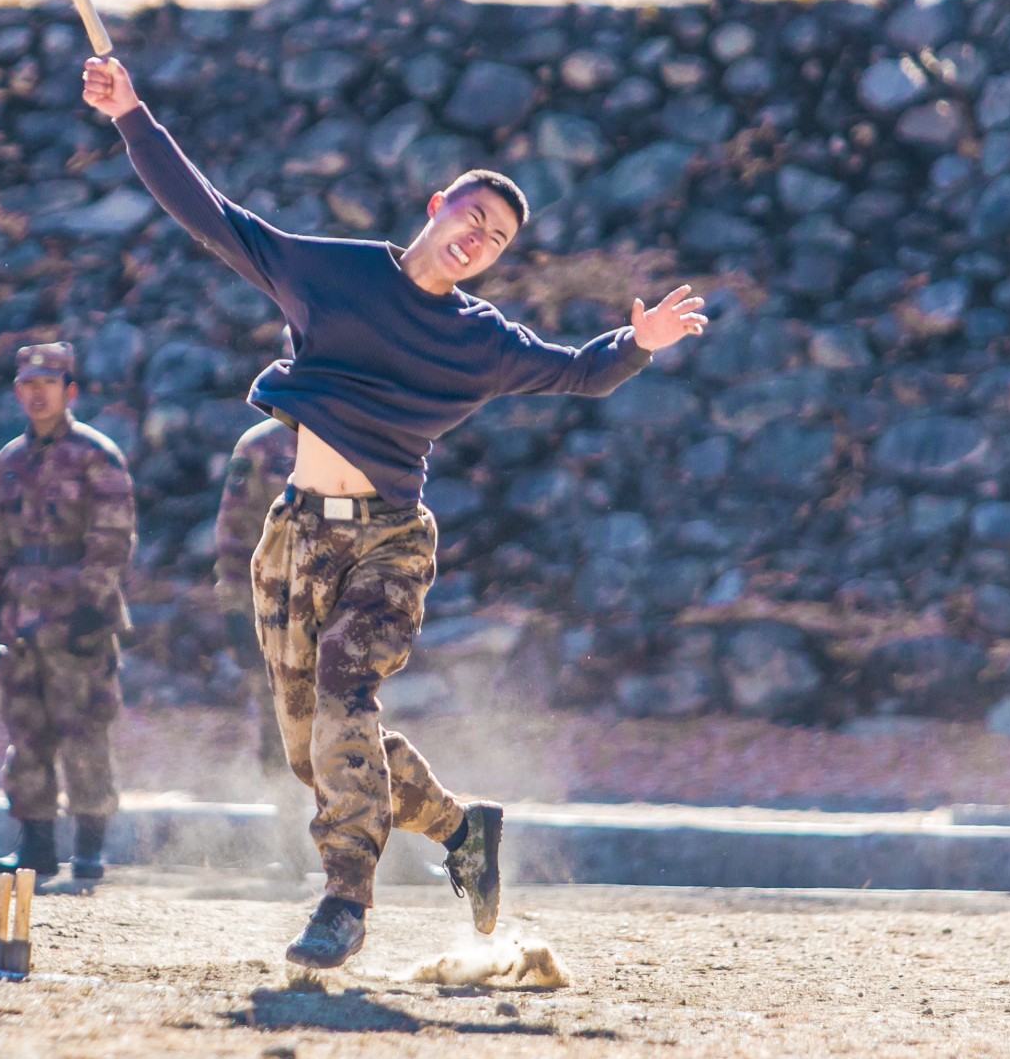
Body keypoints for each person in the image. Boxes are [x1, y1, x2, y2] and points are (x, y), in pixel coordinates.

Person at [84, 52, 709, 968]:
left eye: (496, 238)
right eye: (472, 216)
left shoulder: (480, 342)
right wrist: (132, 114)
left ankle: (343, 901)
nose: (478, 239)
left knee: (345, 692)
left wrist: (637, 342)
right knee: (318, 746)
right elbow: (211, 216)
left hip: (388, 541)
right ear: (436, 206)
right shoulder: (327, 274)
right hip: (295, 533)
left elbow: (577, 370)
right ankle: (463, 830)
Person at [0, 342, 135, 882]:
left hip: (78, 620)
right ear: (18, 391)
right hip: (21, 620)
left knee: (85, 730)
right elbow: (1, 537)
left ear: (70, 391)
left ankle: (89, 846)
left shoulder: (97, 454)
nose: (37, 393)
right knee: (27, 733)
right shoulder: (10, 461)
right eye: (28, 384)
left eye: (49, 383)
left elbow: (114, 536)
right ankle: (36, 845)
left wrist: (95, 602)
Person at [217, 405, 298, 770]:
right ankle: (284, 823)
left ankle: (348, 825)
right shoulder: (260, 446)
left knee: (349, 726)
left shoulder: (360, 441)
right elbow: (235, 537)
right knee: (278, 728)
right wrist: (235, 610)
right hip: (277, 611)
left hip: (345, 605)